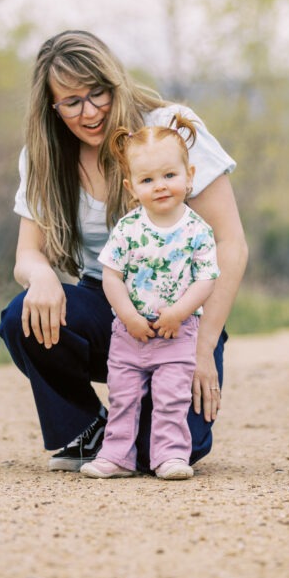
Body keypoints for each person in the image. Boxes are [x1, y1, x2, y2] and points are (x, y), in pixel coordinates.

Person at [0, 29, 248, 474]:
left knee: (164, 457)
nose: (90, 112)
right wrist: (42, 277)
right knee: (22, 316)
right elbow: (27, 254)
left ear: (116, 83)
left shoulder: (169, 129)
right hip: (105, 305)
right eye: (72, 102)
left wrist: (204, 347)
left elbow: (230, 244)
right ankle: (88, 429)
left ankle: (138, 430)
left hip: (184, 316)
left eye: (99, 94)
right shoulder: (43, 157)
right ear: (52, 107)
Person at [81, 115, 219, 480]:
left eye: (169, 176)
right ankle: (116, 456)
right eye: (147, 179)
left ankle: (170, 456)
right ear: (131, 186)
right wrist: (127, 316)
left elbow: (205, 279)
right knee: (123, 396)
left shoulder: (196, 231)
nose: (160, 186)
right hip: (130, 332)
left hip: (177, 332)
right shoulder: (128, 228)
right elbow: (111, 275)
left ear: (189, 176)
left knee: (171, 397)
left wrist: (178, 313)